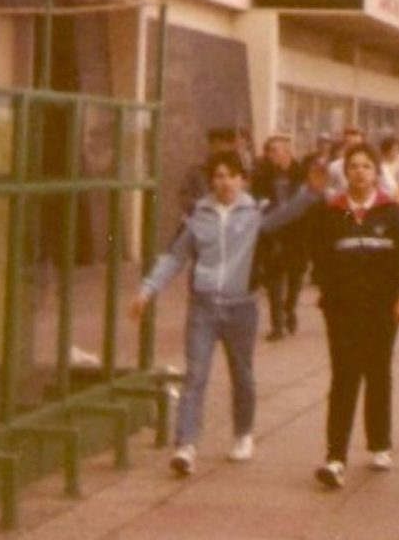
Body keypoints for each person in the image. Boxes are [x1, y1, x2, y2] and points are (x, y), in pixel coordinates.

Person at [130, 151, 324, 476]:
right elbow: (175, 257)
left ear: (242, 179)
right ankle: (186, 446)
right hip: (203, 306)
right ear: (211, 180)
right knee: (195, 375)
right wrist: (148, 289)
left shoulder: (254, 213)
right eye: (218, 176)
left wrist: (310, 193)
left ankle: (243, 433)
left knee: (243, 376)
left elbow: (286, 214)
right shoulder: (196, 215)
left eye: (230, 175)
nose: (224, 182)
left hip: (241, 306)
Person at [311, 144, 399, 489]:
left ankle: (379, 444)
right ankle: (335, 457)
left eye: (366, 167)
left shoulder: (392, 213)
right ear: (346, 173)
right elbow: (319, 255)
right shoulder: (333, 212)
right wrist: (327, 289)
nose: (359, 172)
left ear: (376, 173)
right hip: (342, 310)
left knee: (377, 372)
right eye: (353, 167)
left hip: (381, 308)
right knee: (343, 378)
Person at [251, 134, 307, 341]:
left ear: (287, 151)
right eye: (268, 151)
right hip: (273, 231)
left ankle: (289, 308)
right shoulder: (263, 173)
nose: (270, 155)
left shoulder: (302, 172)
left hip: (297, 232)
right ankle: (277, 325)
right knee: (274, 277)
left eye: (274, 150)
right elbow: (256, 195)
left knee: (295, 276)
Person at [179, 127, 239, 216]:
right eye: (217, 144)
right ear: (211, 146)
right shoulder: (196, 172)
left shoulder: (238, 173)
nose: (221, 148)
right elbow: (185, 197)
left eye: (226, 143)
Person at [326, 127, 365, 199]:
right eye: (350, 144)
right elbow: (327, 188)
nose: (354, 148)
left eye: (357, 144)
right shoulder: (334, 166)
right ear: (344, 145)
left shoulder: (369, 167)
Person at [378, 136, 399, 206]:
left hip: (396, 201)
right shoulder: (378, 166)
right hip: (380, 201)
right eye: (394, 150)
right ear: (386, 151)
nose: (397, 152)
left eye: (398, 150)